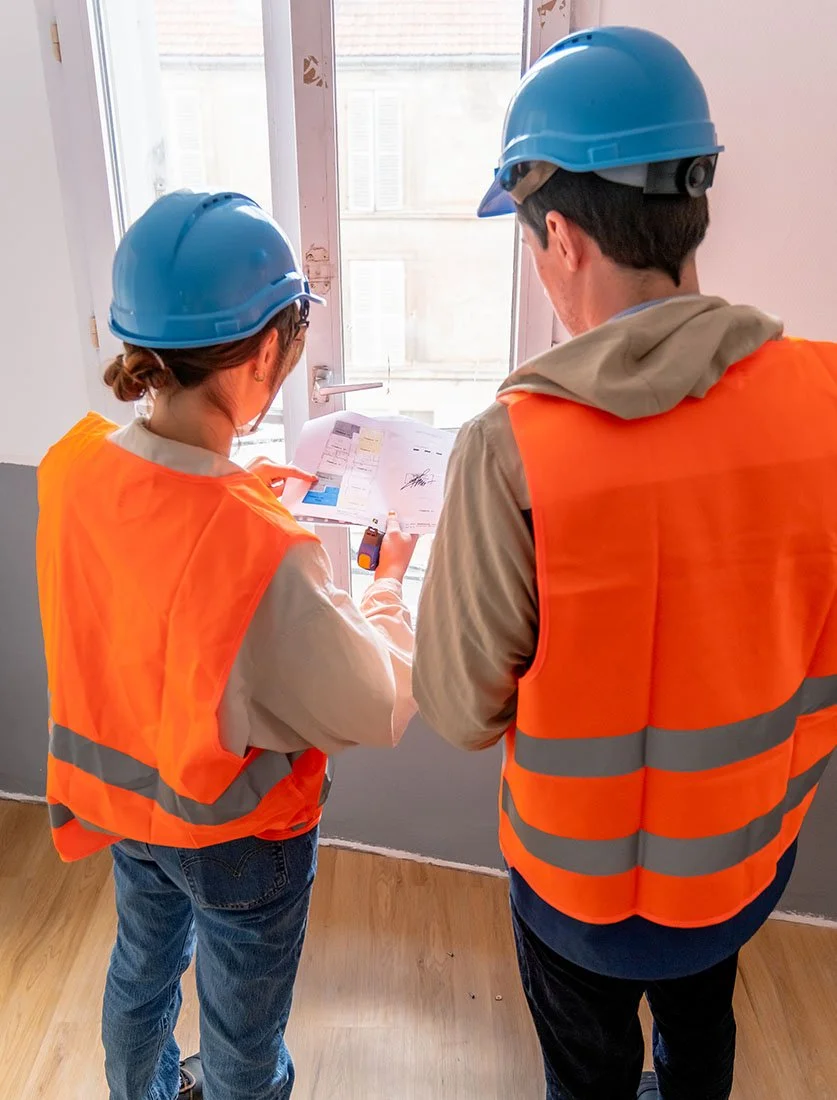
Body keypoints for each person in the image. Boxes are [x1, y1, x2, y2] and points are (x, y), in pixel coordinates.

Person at [414, 25, 837, 1100]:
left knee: (586, 1074)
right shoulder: (826, 401)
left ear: (559, 236)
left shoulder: (510, 448)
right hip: (737, 867)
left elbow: (460, 708)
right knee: (700, 1042)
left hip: (573, 896)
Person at [36, 190, 417, 1100]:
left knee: (139, 975)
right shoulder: (261, 551)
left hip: (128, 812)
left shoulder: (71, 467)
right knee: (243, 1036)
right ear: (261, 356)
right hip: (238, 837)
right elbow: (376, 703)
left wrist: (234, 488)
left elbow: (151, 572)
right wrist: (386, 586)